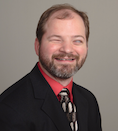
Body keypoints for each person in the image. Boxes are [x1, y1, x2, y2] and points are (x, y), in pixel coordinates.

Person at [0, 3, 102, 131]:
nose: (67, 49)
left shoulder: (88, 100)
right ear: (38, 46)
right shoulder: (10, 108)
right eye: (56, 39)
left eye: (77, 40)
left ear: (86, 47)